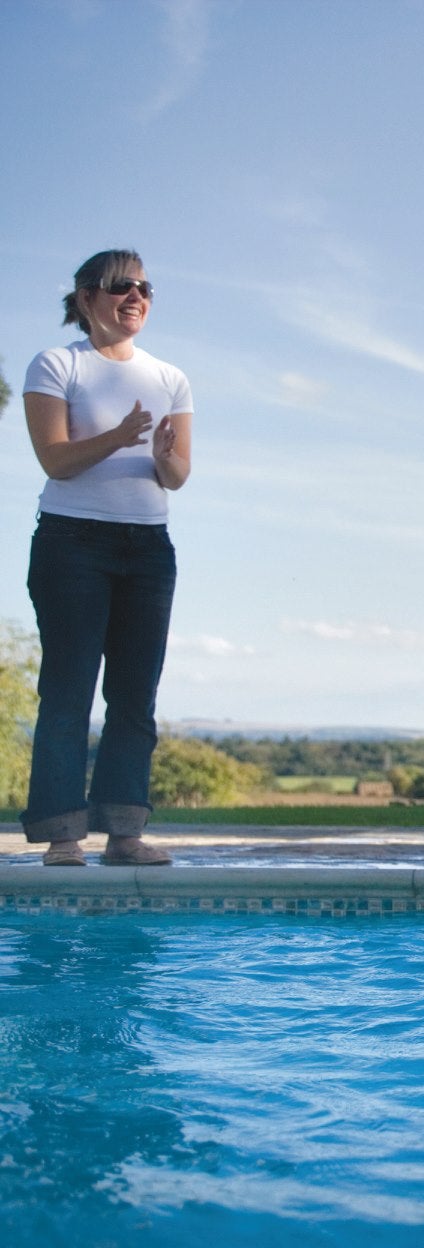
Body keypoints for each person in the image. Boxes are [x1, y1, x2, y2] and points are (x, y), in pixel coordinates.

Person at [18, 250, 192, 867]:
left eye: (144, 286)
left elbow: (175, 476)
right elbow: (56, 461)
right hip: (72, 544)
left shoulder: (170, 377)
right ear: (87, 298)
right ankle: (64, 837)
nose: (135, 296)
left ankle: (124, 833)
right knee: (68, 692)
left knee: (134, 693)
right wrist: (119, 436)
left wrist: (165, 454)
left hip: (147, 548)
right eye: (121, 286)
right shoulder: (56, 364)